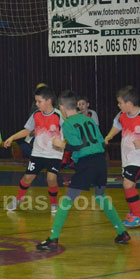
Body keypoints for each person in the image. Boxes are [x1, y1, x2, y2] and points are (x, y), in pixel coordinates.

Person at [37, 90, 130, 251]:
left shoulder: (67, 123)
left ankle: (53, 239)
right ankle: (122, 232)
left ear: (62, 108)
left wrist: (62, 144)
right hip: (100, 162)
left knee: (67, 200)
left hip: (87, 164)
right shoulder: (89, 120)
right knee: (100, 197)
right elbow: (101, 143)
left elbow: (78, 145)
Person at [103, 85, 140, 227]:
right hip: (127, 157)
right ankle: (133, 212)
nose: (118, 105)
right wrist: (109, 136)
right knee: (131, 185)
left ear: (129, 103)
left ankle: (137, 216)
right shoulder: (122, 115)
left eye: (120, 103)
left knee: (127, 184)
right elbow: (117, 125)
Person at [3, 85, 62, 214]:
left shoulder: (59, 115)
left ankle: (54, 203)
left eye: (39, 101)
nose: (36, 104)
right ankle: (19, 198)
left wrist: (64, 143)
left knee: (51, 178)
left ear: (49, 101)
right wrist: (12, 137)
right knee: (27, 178)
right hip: (37, 153)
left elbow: (68, 132)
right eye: (36, 101)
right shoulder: (36, 114)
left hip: (54, 154)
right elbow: (27, 130)